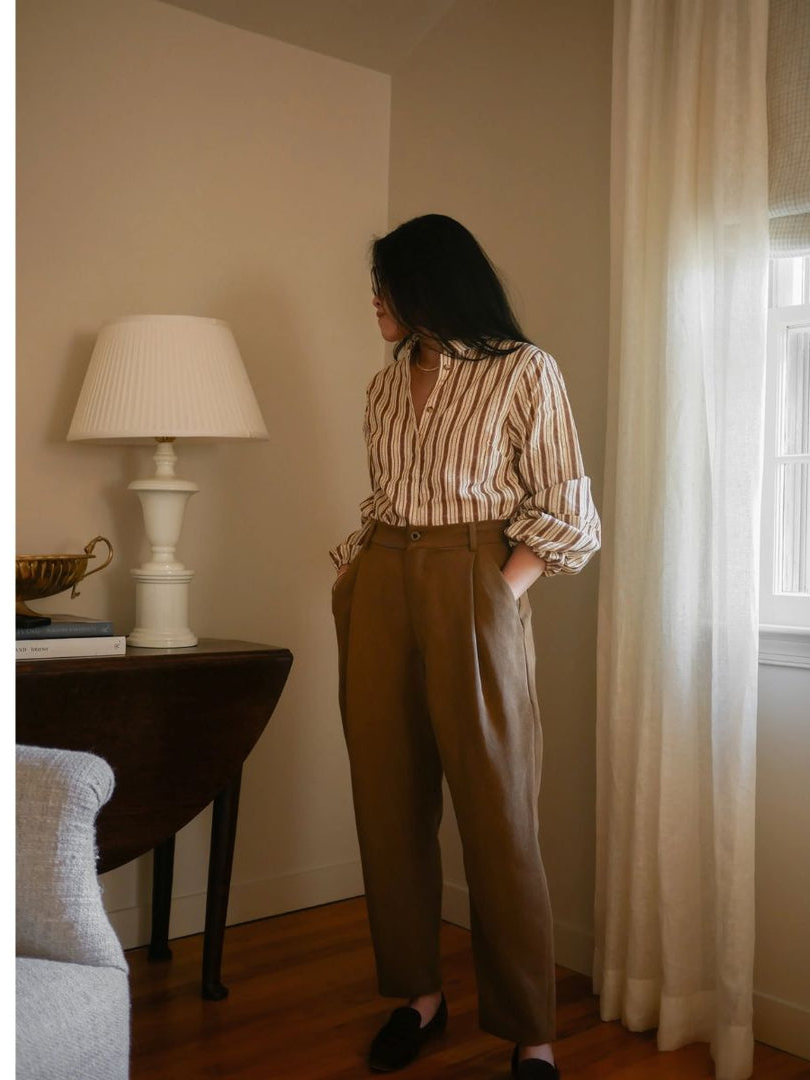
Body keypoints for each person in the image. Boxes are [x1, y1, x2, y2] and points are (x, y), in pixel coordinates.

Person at [330, 214, 601, 1080]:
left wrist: (496, 592)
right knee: (387, 796)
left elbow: (568, 508)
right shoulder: (382, 385)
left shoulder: (526, 370)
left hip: (474, 578)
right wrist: (352, 576)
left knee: (499, 816)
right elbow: (384, 498)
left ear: (430, 282)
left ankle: (532, 1034)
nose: (375, 299)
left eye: (387, 283)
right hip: (382, 581)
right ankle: (418, 995)